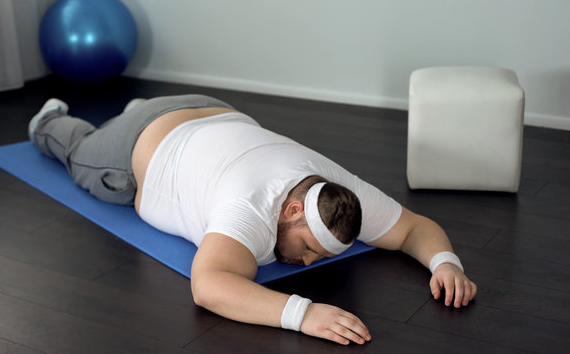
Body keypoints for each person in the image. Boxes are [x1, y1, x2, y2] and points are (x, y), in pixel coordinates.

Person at [28, 94, 477, 345]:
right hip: (135, 152)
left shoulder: (339, 192)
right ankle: (49, 118)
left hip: (209, 107)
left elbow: (416, 227)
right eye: (307, 249)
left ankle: (137, 106)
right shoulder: (247, 208)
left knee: (141, 115)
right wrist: (304, 314)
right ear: (293, 209)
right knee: (74, 150)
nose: (305, 264)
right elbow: (208, 286)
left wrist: (445, 264)